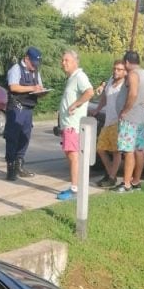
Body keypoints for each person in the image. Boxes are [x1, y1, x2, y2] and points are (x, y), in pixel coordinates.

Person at [56, 50, 94, 202]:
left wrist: (76, 104)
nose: (63, 63)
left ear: (75, 62)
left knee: (73, 156)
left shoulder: (79, 76)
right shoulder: (72, 78)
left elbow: (90, 92)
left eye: (66, 60)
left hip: (74, 125)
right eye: (63, 60)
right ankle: (75, 186)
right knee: (70, 155)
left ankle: (74, 189)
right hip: (68, 125)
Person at [113, 49, 144, 194]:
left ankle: (127, 184)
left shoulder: (133, 74)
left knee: (128, 151)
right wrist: (142, 102)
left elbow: (133, 93)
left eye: (124, 63)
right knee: (139, 150)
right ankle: (136, 182)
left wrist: (125, 110)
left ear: (128, 62)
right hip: (141, 118)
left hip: (130, 119)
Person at [4, 47, 45, 180]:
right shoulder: (16, 69)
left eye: (36, 63)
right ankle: (11, 169)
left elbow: (39, 86)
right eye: (33, 63)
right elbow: (13, 86)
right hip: (16, 108)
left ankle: (20, 166)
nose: (35, 66)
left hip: (28, 109)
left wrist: (41, 92)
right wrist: (32, 88)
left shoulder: (36, 71)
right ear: (26, 58)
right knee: (12, 138)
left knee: (25, 138)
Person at [92, 58, 127, 187]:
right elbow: (104, 98)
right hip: (108, 121)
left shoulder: (125, 85)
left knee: (116, 151)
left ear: (125, 72)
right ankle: (110, 173)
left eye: (119, 69)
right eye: (114, 68)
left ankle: (111, 177)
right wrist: (97, 109)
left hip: (118, 122)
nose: (116, 71)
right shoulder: (111, 81)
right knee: (100, 149)